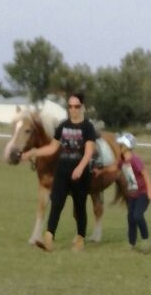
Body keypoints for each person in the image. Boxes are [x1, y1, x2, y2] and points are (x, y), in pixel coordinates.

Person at [25, 91, 97, 251]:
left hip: (80, 173)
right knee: (56, 203)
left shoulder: (88, 127)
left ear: (82, 107)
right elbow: (52, 148)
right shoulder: (63, 126)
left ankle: (80, 238)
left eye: (76, 106)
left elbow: (89, 151)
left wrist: (80, 167)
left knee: (79, 207)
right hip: (62, 171)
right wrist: (32, 153)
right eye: (70, 106)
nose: (73, 109)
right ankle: (48, 238)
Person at [115, 133, 151, 252]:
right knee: (130, 218)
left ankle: (146, 240)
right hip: (132, 194)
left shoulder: (135, 160)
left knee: (137, 216)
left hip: (143, 193)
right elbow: (115, 169)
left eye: (121, 145)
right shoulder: (121, 162)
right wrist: (101, 171)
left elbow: (145, 174)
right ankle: (131, 243)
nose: (119, 147)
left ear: (126, 147)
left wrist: (150, 190)